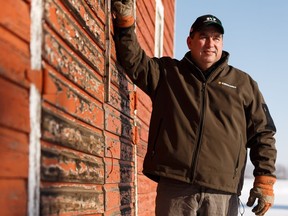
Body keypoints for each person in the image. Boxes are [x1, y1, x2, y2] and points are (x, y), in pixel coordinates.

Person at [111, 1, 277, 215]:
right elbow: (133, 61)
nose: (210, 44)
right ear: (190, 41)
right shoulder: (169, 74)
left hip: (222, 191)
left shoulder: (243, 84)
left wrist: (264, 180)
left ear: (222, 43)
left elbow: (263, 133)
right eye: (203, 37)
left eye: (216, 38)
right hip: (176, 186)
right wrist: (125, 24)